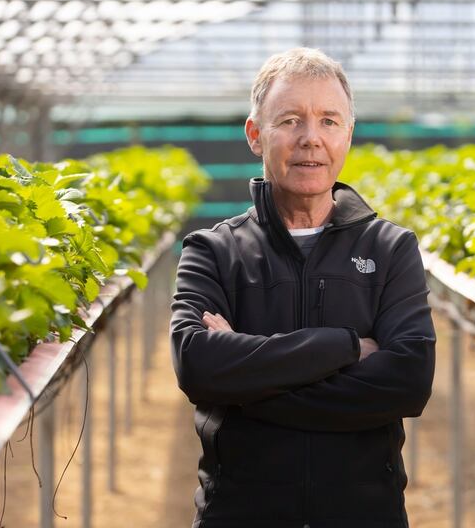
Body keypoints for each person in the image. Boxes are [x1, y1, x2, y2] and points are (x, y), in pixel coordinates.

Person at [170, 47, 436, 528]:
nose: (311, 138)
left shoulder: (392, 248)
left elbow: (409, 382)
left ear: (348, 135)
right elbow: (197, 365)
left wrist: (246, 388)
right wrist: (346, 346)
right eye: (290, 120)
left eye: (329, 121)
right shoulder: (212, 251)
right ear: (256, 135)